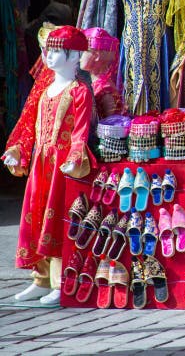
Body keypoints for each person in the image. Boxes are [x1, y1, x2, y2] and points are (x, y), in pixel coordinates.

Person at [2, 26, 95, 306]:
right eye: (48, 50)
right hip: (41, 165)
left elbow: (80, 133)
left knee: (55, 222)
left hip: (61, 167)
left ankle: (60, 281)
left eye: (56, 50)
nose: (48, 56)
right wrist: (18, 151)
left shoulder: (80, 91)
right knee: (36, 216)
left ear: (75, 55)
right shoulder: (44, 91)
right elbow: (32, 127)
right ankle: (39, 279)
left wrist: (75, 159)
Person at [80, 27, 123, 118]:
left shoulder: (105, 90)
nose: (79, 56)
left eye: (83, 51)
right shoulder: (94, 83)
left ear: (96, 56)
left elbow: (112, 124)